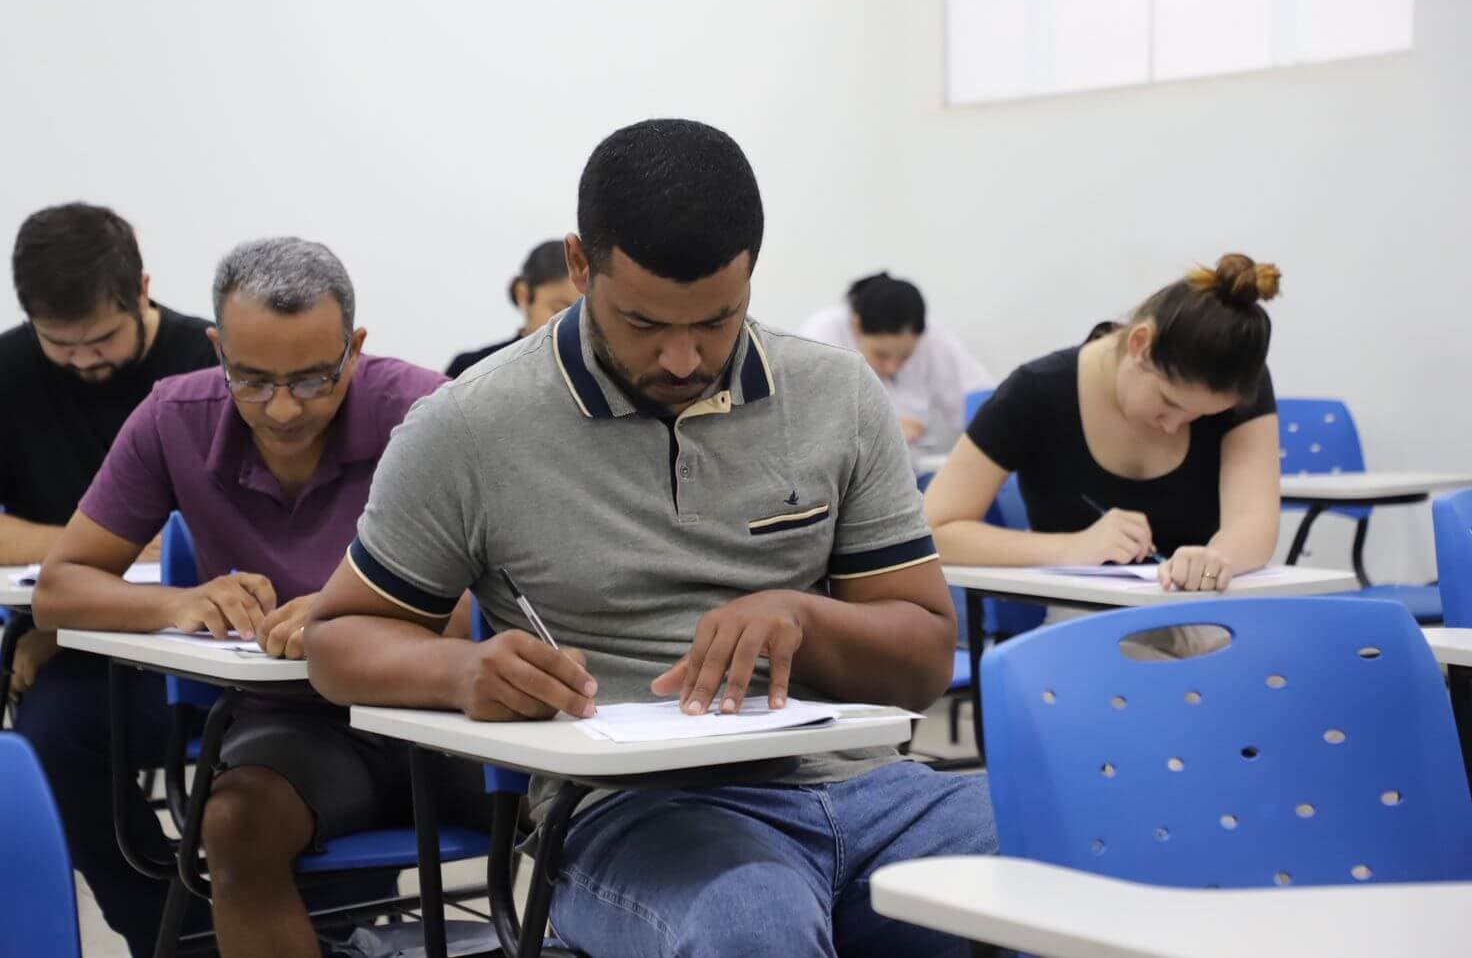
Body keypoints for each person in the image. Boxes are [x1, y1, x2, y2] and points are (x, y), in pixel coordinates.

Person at [305, 119, 997, 958]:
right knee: (752, 926)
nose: (681, 358)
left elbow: (925, 660)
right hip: (634, 811)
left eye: (716, 321)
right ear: (578, 265)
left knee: (1082, 864)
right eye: (642, 324)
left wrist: (804, 621)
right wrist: (459, 669)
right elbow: (338, 639)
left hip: (871, 790)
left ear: (751, 271)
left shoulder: (836, 394)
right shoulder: (469, 426)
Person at [32, 238, 489, 958]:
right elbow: (59, 588)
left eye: (313, 380)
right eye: (252, 380)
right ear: (217, 349)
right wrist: (176, 603)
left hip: (442, 714)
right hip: (297, 729)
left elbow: (522, 595)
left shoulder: (429, 412)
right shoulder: (173, 418)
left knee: (586, 819)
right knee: (233, 823)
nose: (281, 410)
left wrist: (367, 611)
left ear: (355, 346)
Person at [0, 201, 215, 703]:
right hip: (74, 633)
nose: (82, 358)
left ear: (142, 290)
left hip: (202, 639)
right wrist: (98, 554)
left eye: (103, 338)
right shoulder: (2, 370)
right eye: (58, 343)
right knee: (55, 719)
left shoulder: (205, 365)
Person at [925, 254, 1282, 604]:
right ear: (1139, 344)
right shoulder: (1035, 391)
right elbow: (934, 530)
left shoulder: (1237, 389)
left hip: (1200, 610)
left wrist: (1215, 559)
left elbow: (1254, 524)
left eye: (1200, 417)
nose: (1174, 426)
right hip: (1078, 621)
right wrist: (1070, 547)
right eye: (1169, 402)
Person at [798, 273, 991, 461]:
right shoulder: (822, 336)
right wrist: (881, 430)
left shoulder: (929, 338)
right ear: (857, 326)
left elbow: (980, 397)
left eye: (906, 357)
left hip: (910, 473)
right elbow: (806, 422)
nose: (892, 368)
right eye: (881, 355)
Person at [445, 239, 580, 378]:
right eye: (558, 310)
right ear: (523, 295)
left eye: (581, 314)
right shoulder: (470, 370)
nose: (572, 324)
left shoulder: (592, 375)